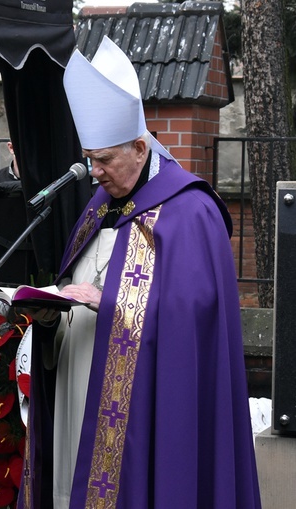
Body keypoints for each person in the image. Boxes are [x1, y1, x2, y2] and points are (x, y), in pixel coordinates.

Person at [19, 37, 260, 508]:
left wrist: (105, 304)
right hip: (76, 384)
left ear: (138, 146)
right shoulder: (98, 207)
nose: (95, 172)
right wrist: (51, 315)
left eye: (104, 160)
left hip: (144, 404)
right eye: (90, 159)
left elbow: (191, 319)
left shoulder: (191, 211)